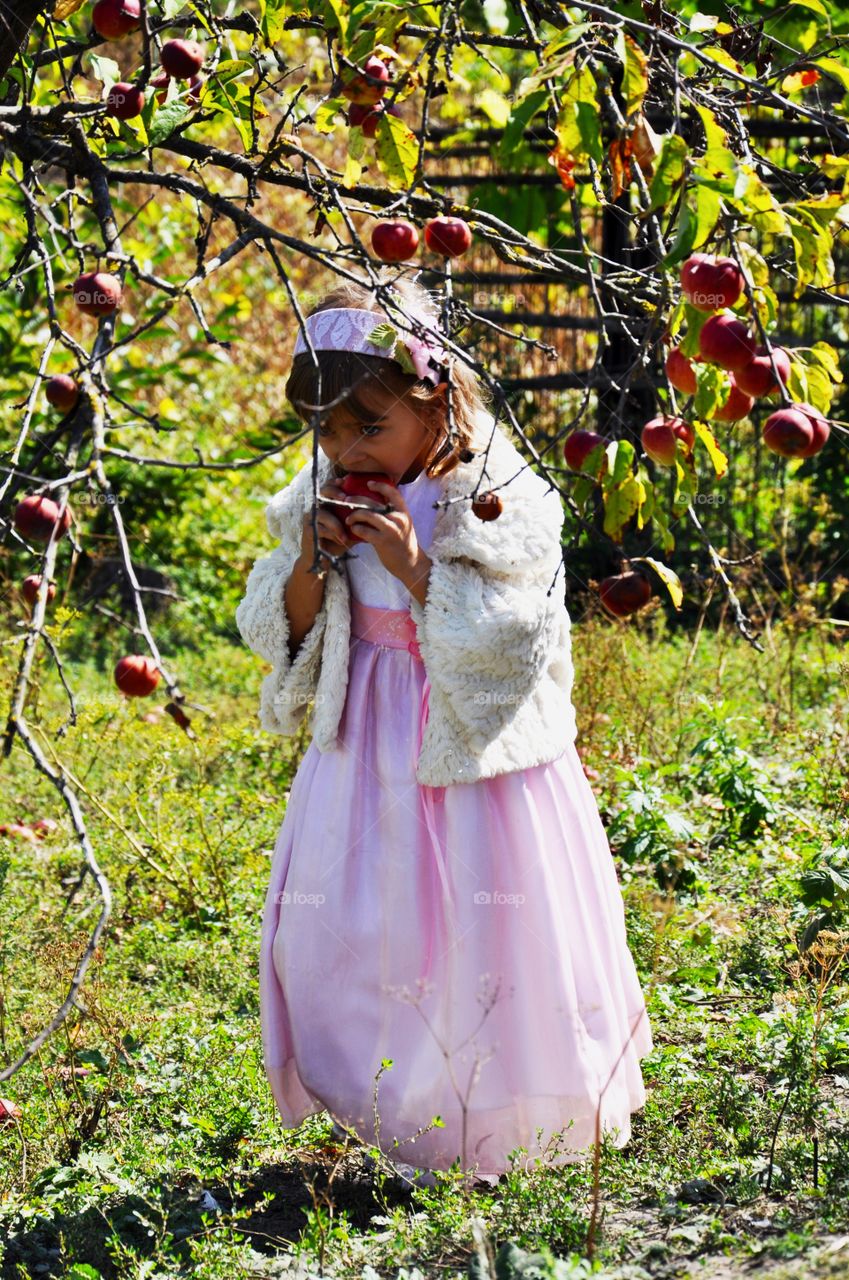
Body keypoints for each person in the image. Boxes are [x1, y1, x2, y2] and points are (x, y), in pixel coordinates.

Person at [234, 271, 654, 1190]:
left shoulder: (494, 493)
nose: (344, 448)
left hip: (467, 747)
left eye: (366, 426)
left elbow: (516, 632)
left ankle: (497, 1115)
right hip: (365, 742)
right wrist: (315, 557)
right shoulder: (321, 491)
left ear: (437, 401)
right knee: (357, 919)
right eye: (328, 429)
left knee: (481, 923)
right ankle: (377, 1103)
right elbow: (280, 622)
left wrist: (413, 562)